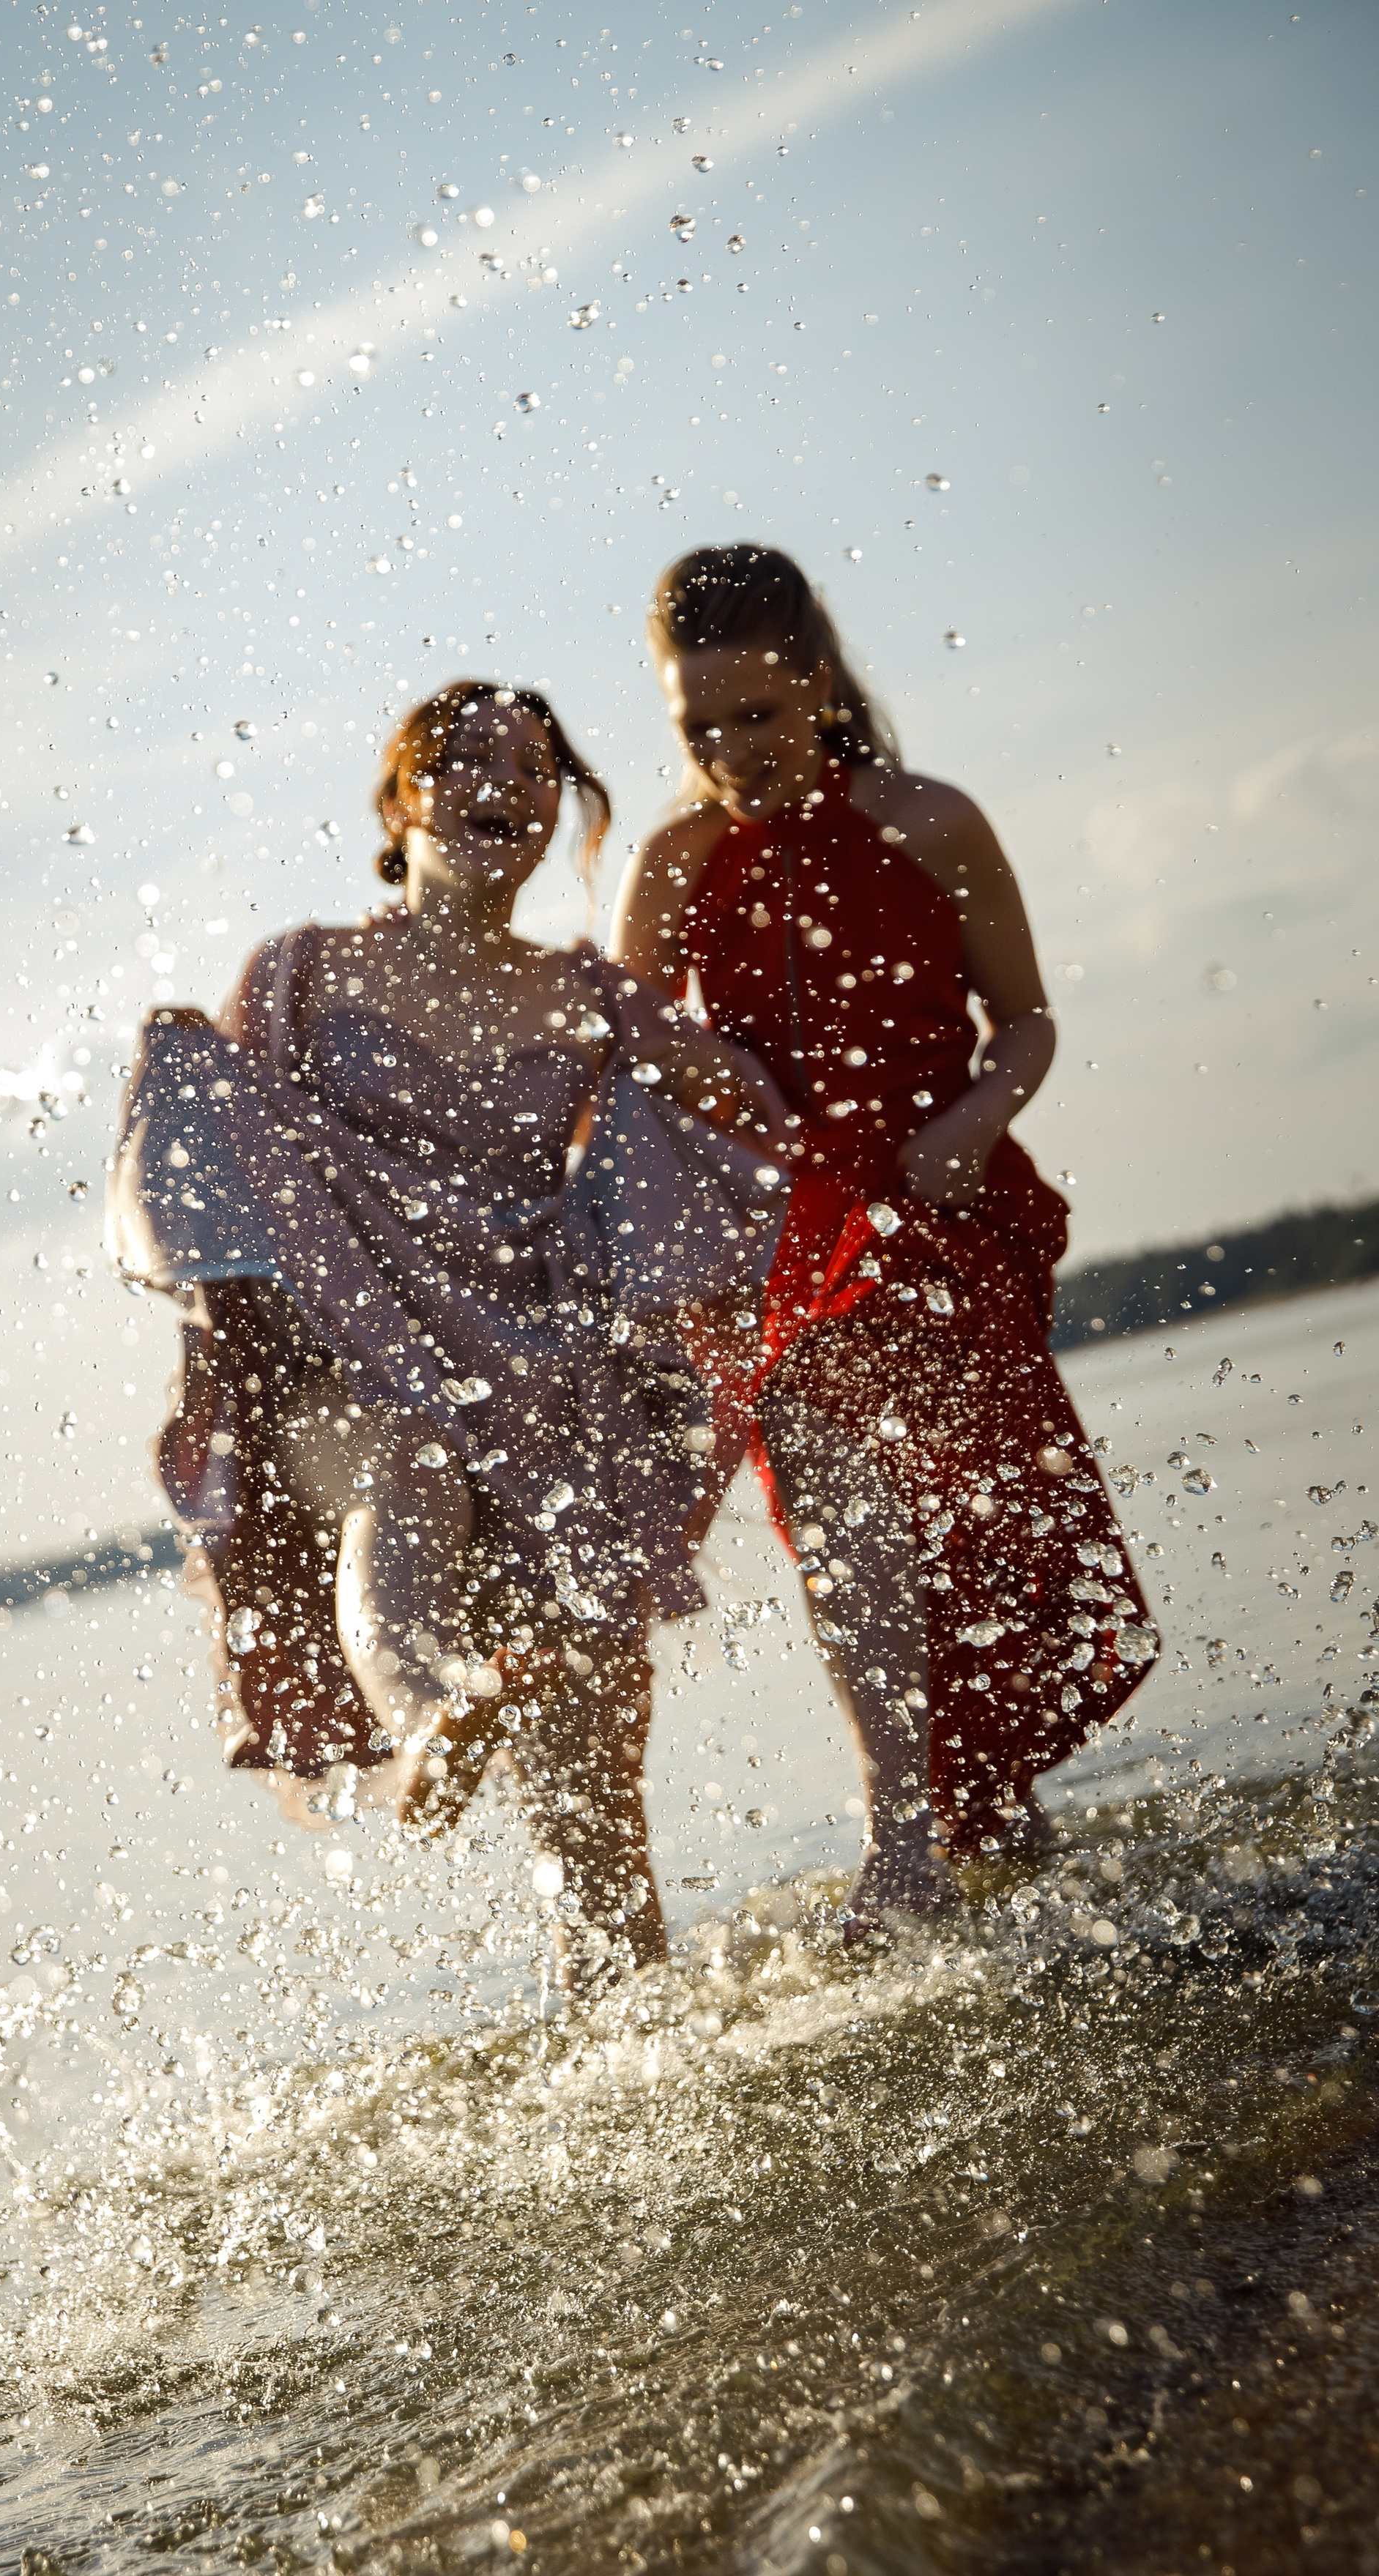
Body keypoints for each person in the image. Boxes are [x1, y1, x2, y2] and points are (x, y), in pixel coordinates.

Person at [108, 680, 787, 1993]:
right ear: (400, 799)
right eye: (466, 759)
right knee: (403, 1493)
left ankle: (633, 2059)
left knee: (595, 1790)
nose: (505, 784)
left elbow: (748, 1105)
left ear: (559, 814)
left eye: (536, 768)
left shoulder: (589, 992)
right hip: (356, 1373)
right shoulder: (302, 972)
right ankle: (426, 1724)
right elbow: (254, 1175)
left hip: (546, 1391)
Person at [612, 545, 1156, 1941]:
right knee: (844, 1517)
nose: (731, 751)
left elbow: (1026, 1021)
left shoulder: (933, 822)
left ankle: (994, 1832)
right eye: (699, 727)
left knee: (974, 1530)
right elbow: (630, 1049)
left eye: (759, 718)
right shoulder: (677, 859)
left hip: (944, 1205)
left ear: (821, 686)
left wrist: (977, 1115)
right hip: (778, 1238)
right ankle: (898, 1846)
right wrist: (707, 1077)